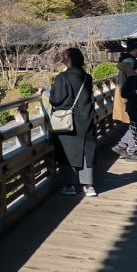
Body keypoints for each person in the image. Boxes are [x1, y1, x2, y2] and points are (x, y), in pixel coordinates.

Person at [50, 47, 98, 196]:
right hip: (86, 118)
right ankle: (88, 186)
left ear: (66, 61)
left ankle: (69, 185)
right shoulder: (86, 77)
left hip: (68, 120)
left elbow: (56, 99)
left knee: (67, 152)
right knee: (86, 151)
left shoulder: (62, 77)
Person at [112, 39, 137, 161]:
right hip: (132, 98)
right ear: (135, 49)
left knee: (134, 124)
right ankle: (131, 151)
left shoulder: (125, 63)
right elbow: (135, 82)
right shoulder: (131, 64)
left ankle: (121, 145)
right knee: (136, 123)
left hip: (127, 97)